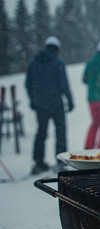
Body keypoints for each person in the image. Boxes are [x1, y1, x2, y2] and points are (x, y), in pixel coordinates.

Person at [25, 36, 74, 174]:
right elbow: (64, 84)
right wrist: (70, 101)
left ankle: (38, 162)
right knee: (60, 132)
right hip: (56, 103)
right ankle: (60, 162)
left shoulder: (34, 62)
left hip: (41, 104)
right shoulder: (57, 62)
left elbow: (28, 84)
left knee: (41, 132)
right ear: (57, 49)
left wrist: (32, 100)